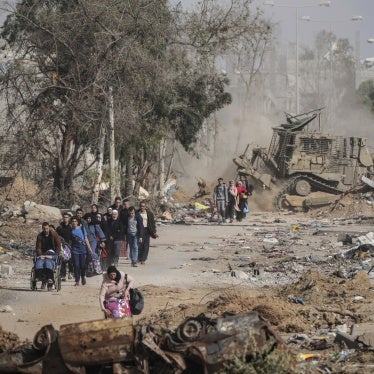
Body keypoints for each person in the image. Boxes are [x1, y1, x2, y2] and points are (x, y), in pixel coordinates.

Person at [35, 222, 61, 289]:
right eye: (44, 229)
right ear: (42, 229)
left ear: (49, 228)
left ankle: (50, 278)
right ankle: (39, 277)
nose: (45, 230)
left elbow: (58, 245)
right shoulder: (40, 236)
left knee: (48, 262)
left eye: (47, 228)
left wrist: (55, 254)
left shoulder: (54, 234)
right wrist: (40, 255)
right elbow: (38, 247)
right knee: (39, 262)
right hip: (43, 254)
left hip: (52, 253)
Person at [70, 215, 93, 286]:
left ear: (78, 222)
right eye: (73, 221)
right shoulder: (71, 231)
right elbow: (70, 242)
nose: (74, 223)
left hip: (83, 250)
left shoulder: (82, 229)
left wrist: (89, 249)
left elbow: (86, 239)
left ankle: (83, 276)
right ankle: (77, 280)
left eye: (75, 221)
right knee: (76, 265)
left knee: (83, 265)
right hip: (75, 250)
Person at [56, 212, 73, 281]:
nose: (65, 219)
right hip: (62, 245)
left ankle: (70, 272)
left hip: (70, 245)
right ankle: (63, 275)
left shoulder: (71, 227)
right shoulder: (60, 227)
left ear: (69, 218)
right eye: (64, 217)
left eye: (67, 217)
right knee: (63, 260)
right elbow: (57, 236)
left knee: (71, 260)